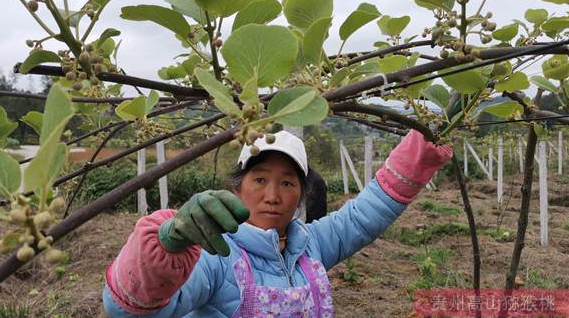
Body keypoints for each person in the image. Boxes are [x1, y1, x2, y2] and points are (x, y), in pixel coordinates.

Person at [103, 130, 452, 317]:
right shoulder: (215, 255)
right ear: (238, 188)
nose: (272, 195)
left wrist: (422, 149)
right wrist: (165, 247)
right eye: (259, 180)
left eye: (287, 183)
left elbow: (364, 216)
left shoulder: (310, 245)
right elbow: (129, 313)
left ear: (301, 194)